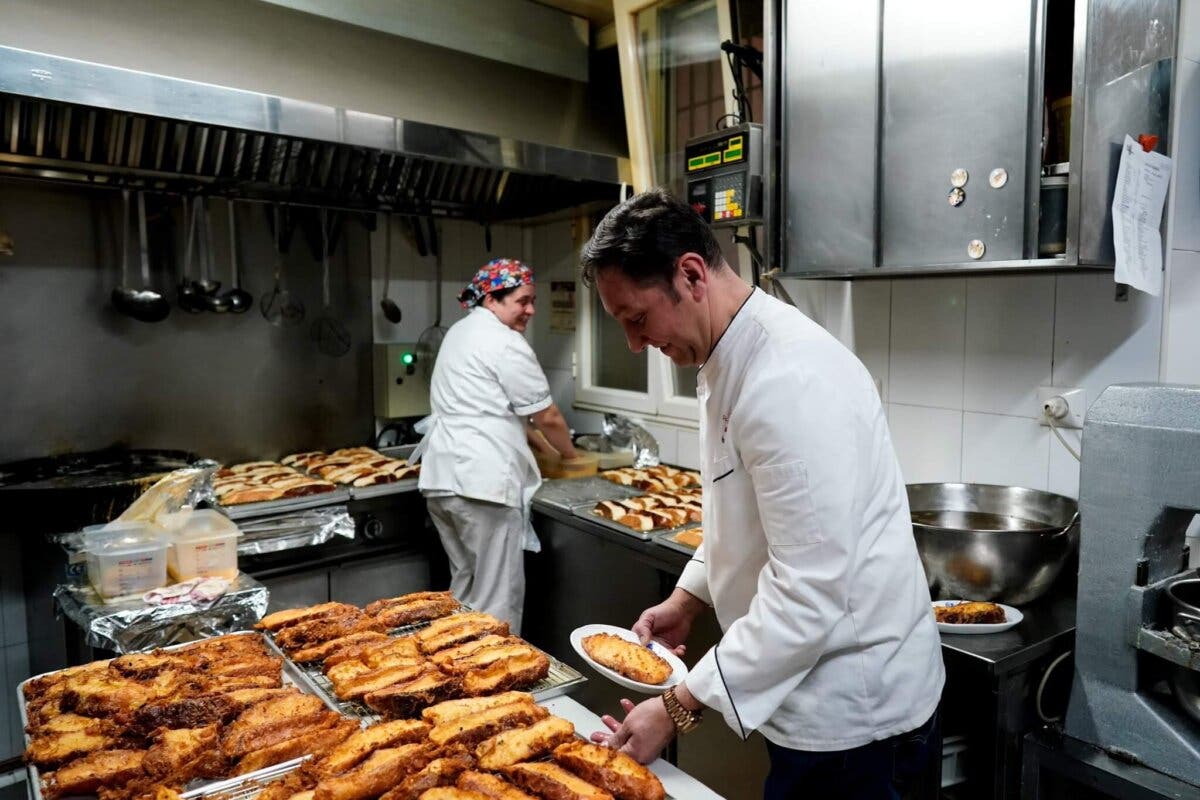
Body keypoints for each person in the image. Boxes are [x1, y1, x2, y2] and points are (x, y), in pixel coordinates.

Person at [580, 189, 945, 799]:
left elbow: (808, 588)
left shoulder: (788, 380)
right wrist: (688, 599)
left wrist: (677, 704)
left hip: (857, 718)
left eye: (636, 319)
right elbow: (740, 511)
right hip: (811, 693)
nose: (634, 345)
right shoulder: (728, 357)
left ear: (691, 275)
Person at [414, 258, 577, 634]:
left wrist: (541, 446)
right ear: (492, 299)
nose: (531, 310)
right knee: (497, 600)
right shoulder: (504, 342)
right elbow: (546, 415)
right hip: (481, 486)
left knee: (465, 591)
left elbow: (501, 412)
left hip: (443, 481)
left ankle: (456, 677)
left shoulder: (461, 332)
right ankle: (495, 683)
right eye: (523, 301)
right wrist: (571, 457)